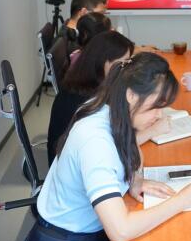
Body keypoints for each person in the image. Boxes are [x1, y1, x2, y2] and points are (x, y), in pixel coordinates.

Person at [28, 52, 191, 241]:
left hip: (88, 229)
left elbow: (130, 148)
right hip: (68, 239)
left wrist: (134, 179)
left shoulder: (111, 109)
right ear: (131, 95)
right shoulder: (95, 141)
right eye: (156, 107)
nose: (159, 115)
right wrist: (181, 201)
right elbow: (120, 231)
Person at [47, 31, 133, 165]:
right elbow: (117, 146)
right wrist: (152, 131)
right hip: (76, 168)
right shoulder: (85, 101)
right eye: (123, 64)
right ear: (103, 62)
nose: (127, 69)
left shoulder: (89, 84)